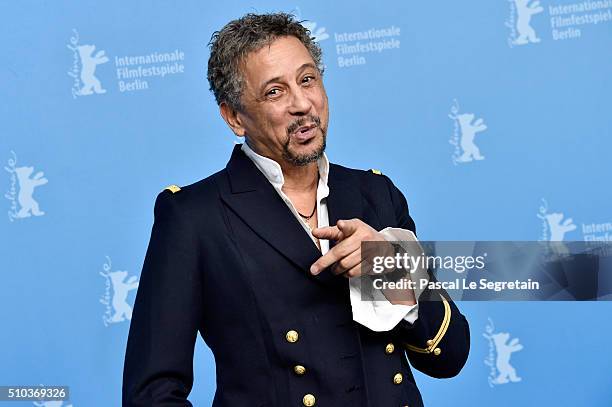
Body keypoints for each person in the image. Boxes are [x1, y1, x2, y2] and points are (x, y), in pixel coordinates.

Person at [122, 12, 469, 407]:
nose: (302, 104)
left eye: (307, 80)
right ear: (234, 117)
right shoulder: (193, 217)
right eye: (275, 92)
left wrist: (387, 271)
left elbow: (451, 357)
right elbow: (151, 394)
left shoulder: (376, 194)